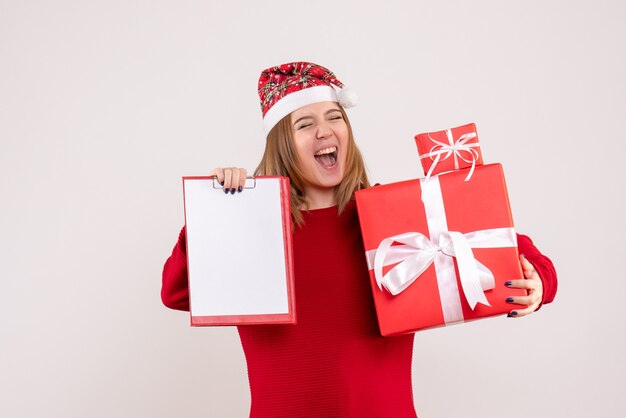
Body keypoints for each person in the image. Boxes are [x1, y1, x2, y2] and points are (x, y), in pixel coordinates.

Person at [161, 62, 558, 418]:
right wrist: (215, 212)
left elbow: (503, 242)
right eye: (304, 124)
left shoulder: (391, 216)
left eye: (335, 116)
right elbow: (175, 292)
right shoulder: (253, 226)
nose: (324, 130)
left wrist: (539, 279)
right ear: (282, 144)